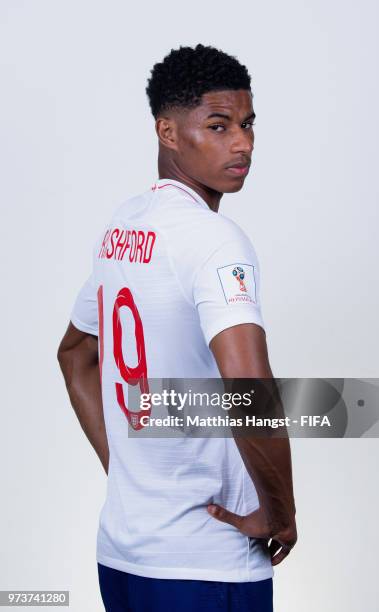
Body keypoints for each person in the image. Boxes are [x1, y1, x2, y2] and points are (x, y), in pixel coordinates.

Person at [58, 43, 297, 612]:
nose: (242, 142)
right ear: (167, 131)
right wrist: (280, 514)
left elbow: (74, 355)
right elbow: (250, 391)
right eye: (218, 126)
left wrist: (127, 473)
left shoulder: (125, 226)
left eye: (246, 124)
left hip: (123, 554)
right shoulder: (214, 240)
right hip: (206, 564)